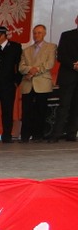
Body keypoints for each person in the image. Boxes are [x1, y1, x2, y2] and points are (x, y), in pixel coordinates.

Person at [19, 25, 57, 143]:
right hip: (28, 83)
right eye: (35, 33)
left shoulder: (51, 47)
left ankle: (38, 135)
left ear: (44, 34)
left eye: (39, 33)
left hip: (42, 82)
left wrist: (36, 70)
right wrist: (30, 70)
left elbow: (50, 63)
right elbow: (21, 67)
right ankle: (25, 136)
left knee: (41, 110)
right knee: (26, 111)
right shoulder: (26, 50)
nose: (36, 35)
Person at [49, 14, 78, 142]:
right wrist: (73, 65)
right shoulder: (66, 35)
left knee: (76, 107)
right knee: (63, 106)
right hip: (68, 76)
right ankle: (56, 134)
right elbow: (61, 55)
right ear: (76, 20)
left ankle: (72, 133)